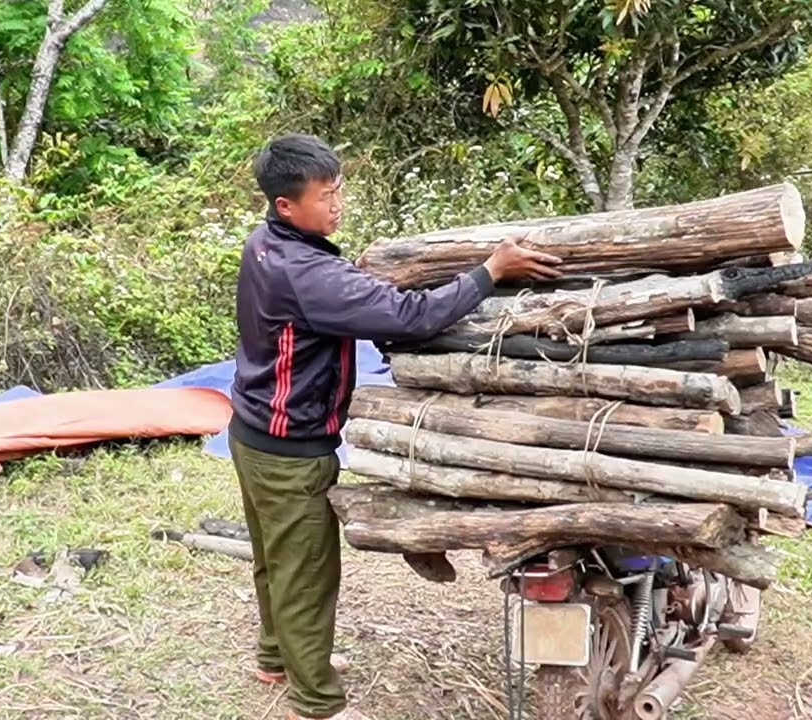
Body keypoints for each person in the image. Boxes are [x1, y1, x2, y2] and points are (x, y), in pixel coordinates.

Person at [228, 133, 562, 720]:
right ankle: (317, 701)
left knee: (273, 557)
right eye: (326, 196)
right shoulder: (305, 271)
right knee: (305, 572)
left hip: (251, 429)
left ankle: (276, 657)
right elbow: (410, 317)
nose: (338, 205)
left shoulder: (266, 242)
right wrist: (491, 271)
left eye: (339, 191)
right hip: (289, 447)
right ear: (286, 205)